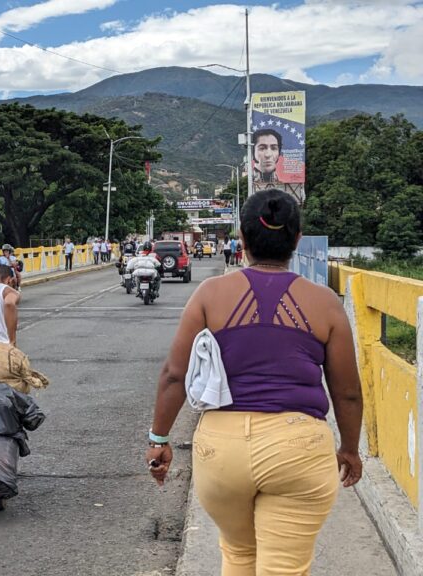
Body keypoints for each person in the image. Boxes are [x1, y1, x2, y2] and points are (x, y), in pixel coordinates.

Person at [147, 188, 363, 575]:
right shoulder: (325, 302)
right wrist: (349, 449)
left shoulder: (210, 294)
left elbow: (174, 375)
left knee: (239, 554)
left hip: (221, 451)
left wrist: (159, 440)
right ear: (296, 240)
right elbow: (347, 392)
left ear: (242, 240)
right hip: (297, 448)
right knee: (284, 568)